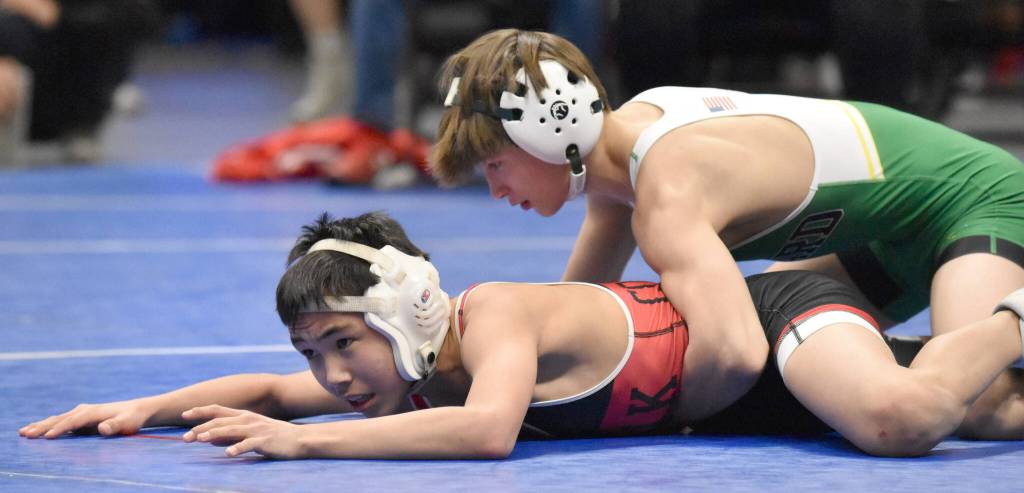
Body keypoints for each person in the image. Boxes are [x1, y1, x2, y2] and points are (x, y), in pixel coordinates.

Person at [19, 212, 1024, 459]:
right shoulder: (408, 374)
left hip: (770, 323)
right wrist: (146, 407)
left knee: (904, 417)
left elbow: (491, 429)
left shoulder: (492, 315)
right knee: (999, 420)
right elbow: (271, 390)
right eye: (313, 355)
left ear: (405, 310)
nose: (330, 376)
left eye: (339, 345)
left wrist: (309, 439)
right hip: (753, 399)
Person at [429, 29, 1024, 438]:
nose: (497, 190)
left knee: (981, 408)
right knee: (800, 340)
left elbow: (734, 355)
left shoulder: (667, 187)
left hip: (981, 202)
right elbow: (571, 312)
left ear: (550, 128)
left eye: (496, 164)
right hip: (890, 233)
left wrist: (655, 415)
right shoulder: (624, 161)